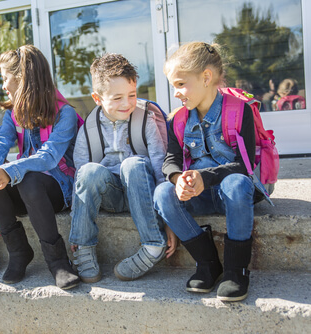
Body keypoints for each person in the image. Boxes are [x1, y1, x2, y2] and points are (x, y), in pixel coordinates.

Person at [0, 45, 80, 290]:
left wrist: (11, 170)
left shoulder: (65, 113)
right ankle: (19, 252)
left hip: (57, 189)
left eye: (5, 78)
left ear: (22, 79)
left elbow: (48, 157)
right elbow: (0, 141)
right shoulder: (13, 113)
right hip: (27, 194)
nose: (4, 86)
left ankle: (57, 260)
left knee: (29, 179)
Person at [153, 42, 257, 302]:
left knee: (236, 184)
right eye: (173, 86)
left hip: (233, 195)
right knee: (163, 193)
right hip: (198, 195)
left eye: (180, 84)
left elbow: (245, 165)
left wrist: (205, 177)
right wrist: (178, 179)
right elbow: (171, 161)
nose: (176, 93)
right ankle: (208, 263)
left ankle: (236, 269)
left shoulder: (239, 110)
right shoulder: (177, 119)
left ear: (206, 77)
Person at [68, 53, 177, 283]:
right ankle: (84, 247)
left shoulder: (144, 118)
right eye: (117, 98)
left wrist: (169, 219)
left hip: (142, 189)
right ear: (97, 98)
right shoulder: (89, 127)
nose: (127, 103)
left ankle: (153, 244)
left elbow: (159, 165)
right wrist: (76, 224)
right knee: (88, 170)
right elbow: (81, 177)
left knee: (133, 163)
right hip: (112, 195)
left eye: (132, 95)